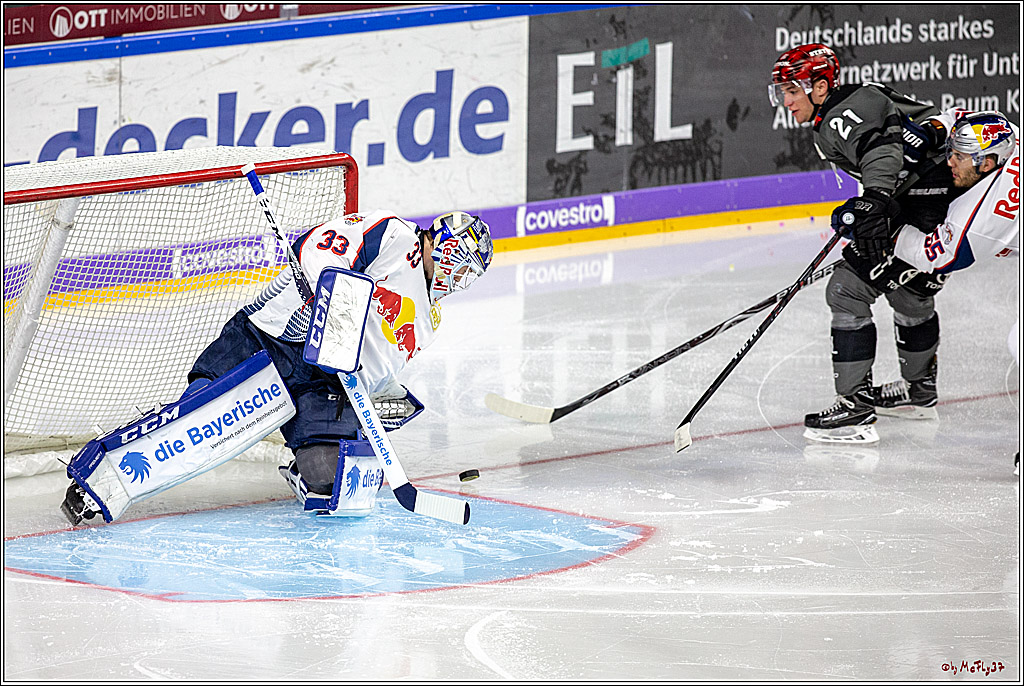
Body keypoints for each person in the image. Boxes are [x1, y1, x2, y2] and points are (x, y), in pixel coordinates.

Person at [61, 209, 494, 523]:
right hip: (273, 338)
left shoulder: (429, 319)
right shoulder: (394, 235)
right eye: (459, 262)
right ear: (440, 242)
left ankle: (300, 470)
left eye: (469, 273)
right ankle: (97, 480)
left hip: (323, 381)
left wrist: (374, 394)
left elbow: (376, 371)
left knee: (335, 484)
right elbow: (320, 247)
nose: (458, 277)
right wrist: (326, 301)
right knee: (196, 417)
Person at [769, 43, 959, 443]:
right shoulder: (856, 98)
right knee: (910, 290)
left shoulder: (841, 113)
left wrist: (873, 202)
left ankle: (854, 410)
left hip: (925, 198)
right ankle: (918, 391)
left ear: (819, 86)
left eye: (791, 91)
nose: (786, 102)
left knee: (847, 290)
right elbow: (908, 141)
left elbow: (881, 150)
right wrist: (874, 205)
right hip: (935, 198)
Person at [885, 111, 1019, 473]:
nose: (950, 162)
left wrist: (888, 232)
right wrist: (935, 126)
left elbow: (938, 256)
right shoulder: (1009, 138)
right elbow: (961, 116)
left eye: (959, 155)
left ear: (988, 162)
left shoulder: (985, 217)